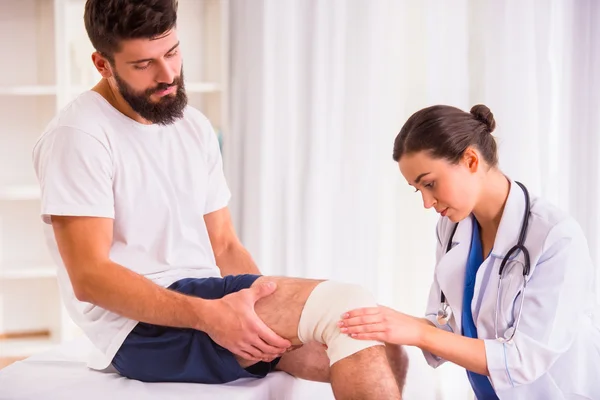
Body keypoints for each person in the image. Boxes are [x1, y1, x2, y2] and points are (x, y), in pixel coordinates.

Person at [30, 1, 409, 399]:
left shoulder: (192, 126)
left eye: (172, 52)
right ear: (102, 64)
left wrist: (261, 309)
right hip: (139, 329)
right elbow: (90, 278)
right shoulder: (79, 135)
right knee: (345, 302)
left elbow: (224, 243)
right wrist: (211, 317)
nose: (167, 75)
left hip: (209, 297)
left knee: (378, 340)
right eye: (143, 65)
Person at [340, 104, 600, 399]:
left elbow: (523, 360)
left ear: (471, 161)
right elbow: (447, 328)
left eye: (430, 184)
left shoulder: (556, 237)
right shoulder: (451, 227)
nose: (427, 202)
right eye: (418, 189)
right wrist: (387, 324)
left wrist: (418, 332)